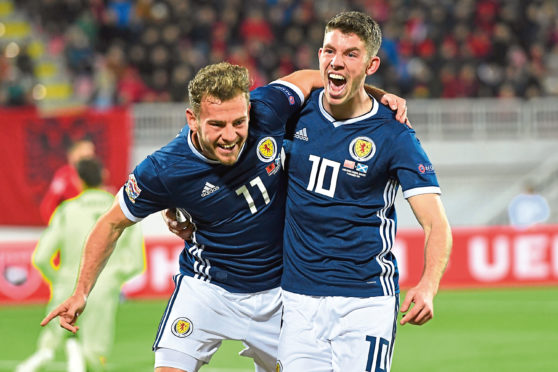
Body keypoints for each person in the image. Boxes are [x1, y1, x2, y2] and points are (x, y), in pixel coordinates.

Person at [40, 62, 408, 372]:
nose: (230, 136)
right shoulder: (164, 169)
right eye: (216, 125)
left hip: (282, 294)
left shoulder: (269, 108)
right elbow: (111, 223)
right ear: (193, 119)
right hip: (208, 289)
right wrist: (80, 292)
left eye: (238, 122)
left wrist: (374, 96)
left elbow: (314, 78)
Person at [276, 11, 453, 372]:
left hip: (365, 299)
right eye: (329, 51)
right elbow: (230, 135)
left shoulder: (395, 135)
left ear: (371, 63)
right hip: (296, 298)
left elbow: (436, 224)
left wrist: (428, 285)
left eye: (350, 54)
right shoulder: (294, 113)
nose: (336, 61)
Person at [18, 158, 145, 372]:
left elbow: (40, 257)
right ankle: (78, 358)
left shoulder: (68, 210)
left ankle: (47, 354)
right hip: (103, 287)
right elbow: (136, 262)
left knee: (53, 336)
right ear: (103, 176)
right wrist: (113, 278)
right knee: (95, 355)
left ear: (79, 181)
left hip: (69, 285)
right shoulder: (122, 208)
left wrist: (59, 280)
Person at [39, 139, 96, 223]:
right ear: (73, 154)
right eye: (86, 151)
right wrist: (56, 225)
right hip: (71, 224)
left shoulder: (95, 174)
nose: (90, 154)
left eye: (91, 152)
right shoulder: (64, 175)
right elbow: (48, 205)